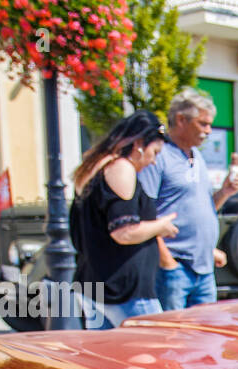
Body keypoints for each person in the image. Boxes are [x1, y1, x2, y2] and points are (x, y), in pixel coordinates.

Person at [69, 110, 178, 327]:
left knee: (106, 358)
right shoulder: (121, 168)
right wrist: (160, 226)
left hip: (96, 286)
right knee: (150, 355)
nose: (154, 162)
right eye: (154, 152)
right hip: (124, 292)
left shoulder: (94, 167)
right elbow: (124, 231)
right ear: (139, 143)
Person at [138, 88, 238, 311]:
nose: (208, 130)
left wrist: (224, 192)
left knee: (204, 340)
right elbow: (145, 214)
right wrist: (167, 262)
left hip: (203, 269)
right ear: (181, 119)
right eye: (202, 123)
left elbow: (203, 207)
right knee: (175, 340)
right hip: (175, 269)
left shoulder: (197, 156)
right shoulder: (159, 156)